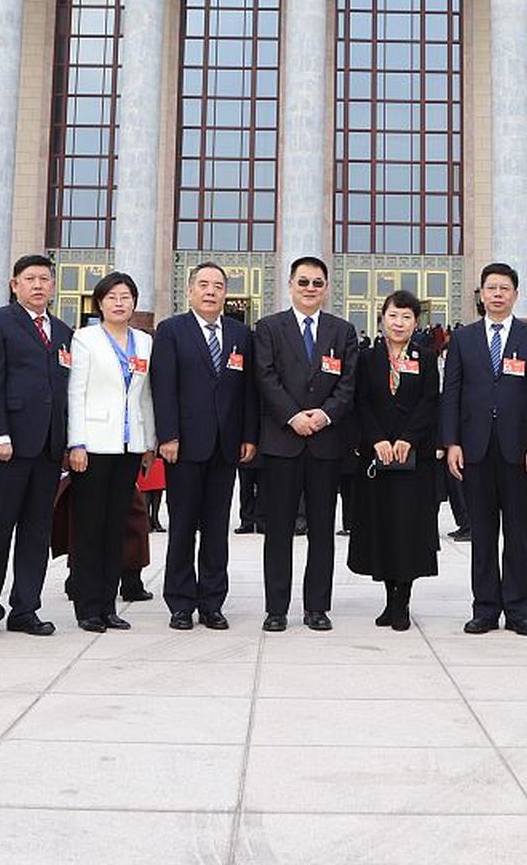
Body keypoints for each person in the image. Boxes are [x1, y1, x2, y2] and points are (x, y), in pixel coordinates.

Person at [441, 263, 527, 636]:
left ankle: (519, 609)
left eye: (505, 288)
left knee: (518, 531)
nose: (498, 294)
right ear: (481, 294)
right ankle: (485, 607)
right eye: (491, 288)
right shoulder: (463, 338)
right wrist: (452, 442)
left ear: (516, 295)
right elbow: (451, 394)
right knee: (483, 532)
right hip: (475, 449)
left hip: (519, 451)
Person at [251, 255, 358, 631]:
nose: (310, 288)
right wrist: (293, 416)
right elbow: (265, 377)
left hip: (327, 445)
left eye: (317, 283)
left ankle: (317, 607)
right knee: (278, 529)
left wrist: (324, 415)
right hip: (283, 442)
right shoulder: (268, 328)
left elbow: (348, 384)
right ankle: (276, 609)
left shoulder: (342, 331)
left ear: (326, 288)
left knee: (322, 530)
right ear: (290, 285)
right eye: (304, 282)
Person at [150, 261, 257, 630]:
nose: (211, 292)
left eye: (218, 286)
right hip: (184, 446)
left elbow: (247, 392)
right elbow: (163, 388)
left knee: (216, 529)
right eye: (204, 285)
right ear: (190, 291)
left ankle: (212, 602)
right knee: (181, 526)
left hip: (225, 447)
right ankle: (180, 603)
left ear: (226, 293)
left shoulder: (240, 334)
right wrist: (167, 436)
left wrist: (248, 435)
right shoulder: (171, 331)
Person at [0, 253, 72, 638]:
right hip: (8, 446)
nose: (39, 285)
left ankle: (25, 608)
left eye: (45, 279)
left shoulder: (62, 330)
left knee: (36, 533)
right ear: (15, 284)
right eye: (30, 279)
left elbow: (63, 388)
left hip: (47, 447)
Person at [64, 272, 156, 633]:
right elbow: (76, 391)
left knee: (117, 528)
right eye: (112, 297)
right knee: (89, 528)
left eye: (126, 297)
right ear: (99, 303)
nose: (120, 303)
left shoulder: (145, 342)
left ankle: (108, 604)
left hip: (129, 446)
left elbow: (145, 394)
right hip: (94, 445)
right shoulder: (85, 339)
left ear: (134, 303)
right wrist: (77, 443)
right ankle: (87, 608)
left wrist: (148, 441)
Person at [347, 290, 441, 631]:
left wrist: (406, 439)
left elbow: (430, 401)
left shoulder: (426, 357)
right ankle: (389, 599)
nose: (399, 323)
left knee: (409, 530)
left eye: (406, 317)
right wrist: (377, 441)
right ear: (381, 318)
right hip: (377, 458)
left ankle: (403, 602)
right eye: (393, 316)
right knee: (383, 529)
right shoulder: (367, 357)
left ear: (416, 323)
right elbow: (361, 402)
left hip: (413, 458)